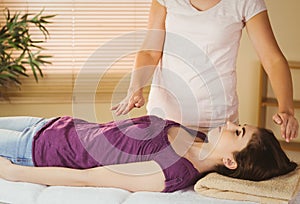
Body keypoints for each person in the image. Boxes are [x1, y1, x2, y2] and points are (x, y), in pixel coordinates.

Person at [111, 0, 299, 142]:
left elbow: (272, 59)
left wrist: (286, 109)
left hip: (218, 125)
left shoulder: (245, 2)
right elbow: (150, 52)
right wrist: (135, 87)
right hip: (165, 118)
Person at [0, 115, 297, 192]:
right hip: (50, 125)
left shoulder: (172, 173)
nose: (231, 123)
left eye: (238, 132)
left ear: (230, 161)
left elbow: (89, 179)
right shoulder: (197, 136)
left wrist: (15, 173)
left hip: (36, 150)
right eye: (240, 124)